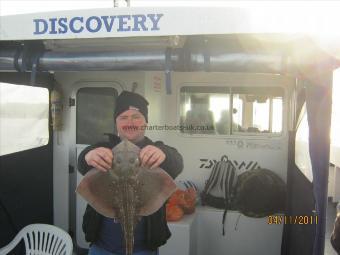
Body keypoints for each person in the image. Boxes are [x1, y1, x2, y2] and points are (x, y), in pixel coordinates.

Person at [77, 91, 183, 255]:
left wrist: (164, 154)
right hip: (101, 246)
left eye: (136, 116)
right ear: (116, 123)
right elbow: (83, 164)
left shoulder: (156, 150)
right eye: (123, 117)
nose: (130, 122)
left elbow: (177, 162)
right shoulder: (104, 148)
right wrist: (87, 156)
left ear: (146, 122)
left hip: (143, 249)